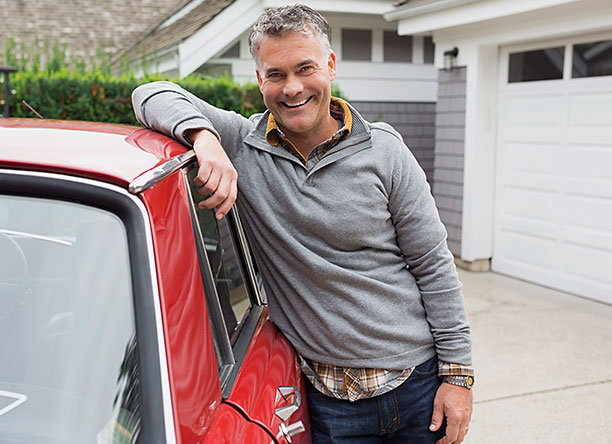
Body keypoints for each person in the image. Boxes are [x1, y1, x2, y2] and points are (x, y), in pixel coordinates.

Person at [132, 4, 473, 444]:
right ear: (259, 80)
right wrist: (204, 139)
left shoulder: (385, 151)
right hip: (330, 402)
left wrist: (458, 377)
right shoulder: (242, 144)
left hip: (417, 386)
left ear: (330, 66)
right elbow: (150, 92)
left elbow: (433, 265)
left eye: (305, 68)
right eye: (275, 74)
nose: (292, 88)